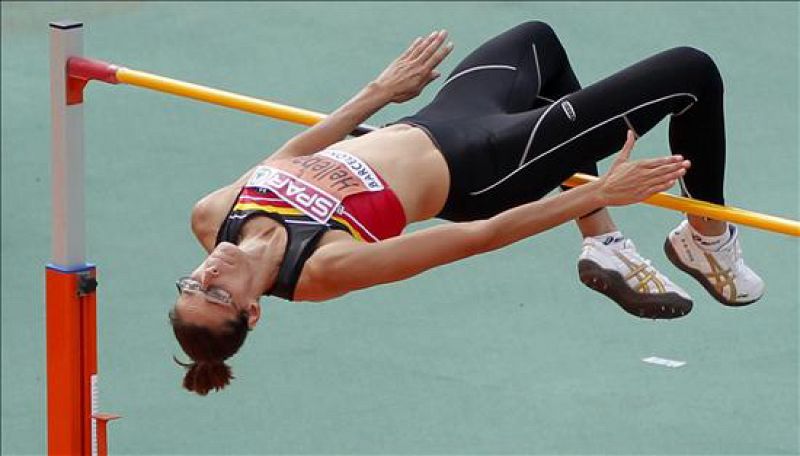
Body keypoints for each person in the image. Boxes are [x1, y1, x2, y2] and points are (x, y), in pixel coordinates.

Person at [170, 22, 764, 395]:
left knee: (538, 41)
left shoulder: (211, 215)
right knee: (691, 70)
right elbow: (480, 236)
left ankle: (603, 244)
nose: (210, 273)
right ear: (252, 312)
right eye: (216, 294)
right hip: (486, 169)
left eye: (192, 282)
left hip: (438, 119)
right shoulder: (322, 269)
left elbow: (292, 152)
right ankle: (706, 239)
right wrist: (599, 191)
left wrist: (380, 92)